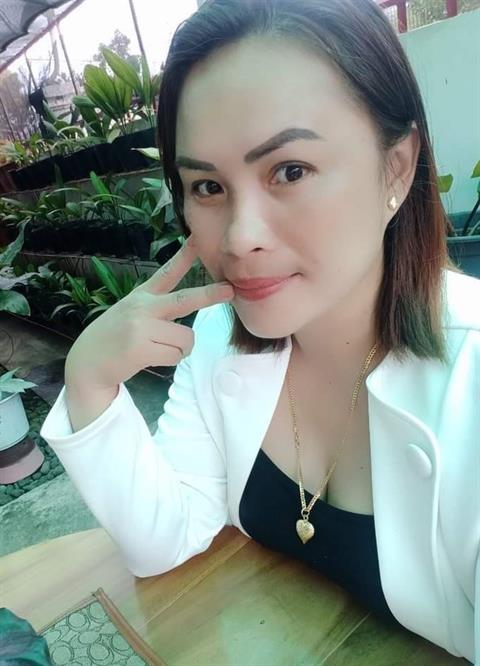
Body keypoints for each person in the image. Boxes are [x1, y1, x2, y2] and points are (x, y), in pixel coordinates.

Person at [40, 0, 479, 662]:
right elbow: (165, 538)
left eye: (290, 171)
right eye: (207, 186)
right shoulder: (218, 340)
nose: (240, 238)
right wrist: (90, 383)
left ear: (395, 167)